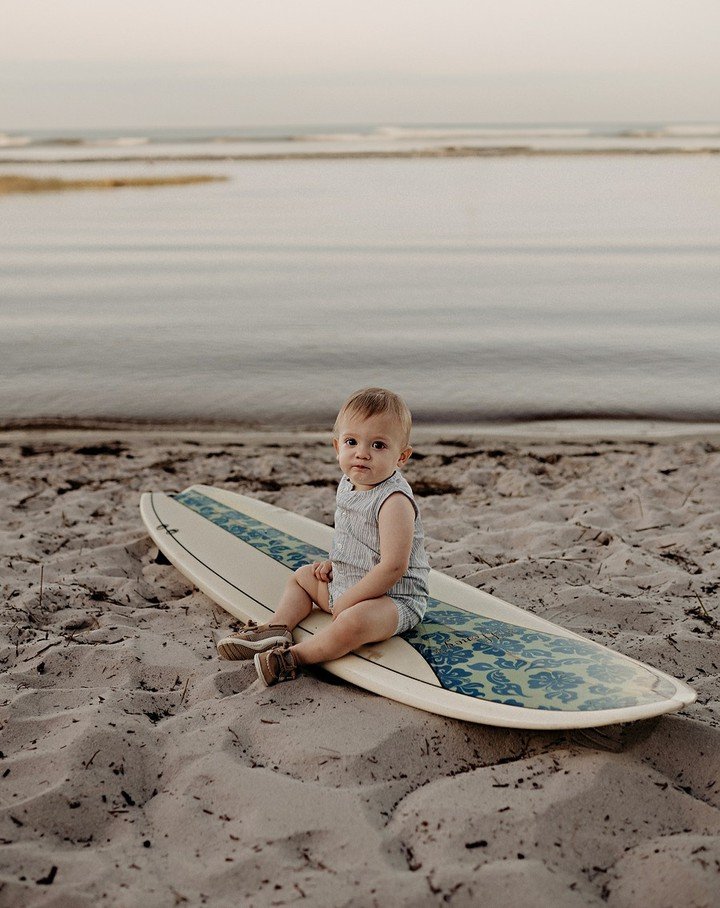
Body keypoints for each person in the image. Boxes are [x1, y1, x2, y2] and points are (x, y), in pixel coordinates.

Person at [216, 387, 430, 686]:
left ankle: (292, 659)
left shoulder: (393, 501)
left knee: (353, 623)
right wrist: (335, 563)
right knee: (303, 577)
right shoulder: (348, 483)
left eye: (379, 445)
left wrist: (349, 600)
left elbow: (394, 566)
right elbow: (354, 537)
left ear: (402, 456)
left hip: (393, 597)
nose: (362, 453)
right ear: (336, 446)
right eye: (352, 442)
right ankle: (277, 627)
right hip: (348, 584)